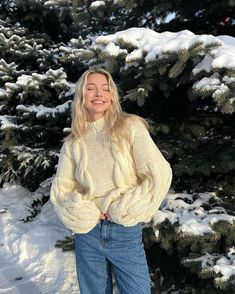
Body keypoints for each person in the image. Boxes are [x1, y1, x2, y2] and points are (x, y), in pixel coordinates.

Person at [50, 68, 172, 294]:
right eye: (91, 88)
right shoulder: (73, 141)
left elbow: (159, 174)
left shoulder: (130, 127)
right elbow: (61, 190)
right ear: (81, 96)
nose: (99, 93)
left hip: (124, 231)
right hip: (88, 233)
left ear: (112, 95)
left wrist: (125, 208)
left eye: (105, 88)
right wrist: (86, 212)